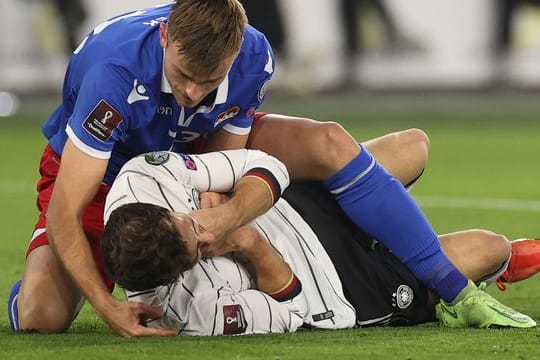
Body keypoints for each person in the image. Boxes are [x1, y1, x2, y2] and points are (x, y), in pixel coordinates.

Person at [7, 0, 479, 337]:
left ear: (232, 57)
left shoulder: (254, 56)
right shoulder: (113, 72)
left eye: (208, 81)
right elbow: (66, 210)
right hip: (104, 173)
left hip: (192, 159)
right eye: (183, 75)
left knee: (336, 141)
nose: (192, 92)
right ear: (167, 35)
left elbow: (224, 160)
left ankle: (383, 234)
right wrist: (107, 306)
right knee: (41, 318)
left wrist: (226, 211)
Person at [99, 150, 537, 335]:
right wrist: (247, 243)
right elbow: (291, 310)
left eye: (189, 222)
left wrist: (228, 210)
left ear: (159, 210)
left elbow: (262, 164)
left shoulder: (144, 177)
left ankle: (403, 234)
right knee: (492, 246)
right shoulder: (191, 313)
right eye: (199, 244)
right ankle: (492, 269)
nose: (203, 230)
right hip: (340, 287)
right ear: (178, 273)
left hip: (296, 209)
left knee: (413, 146)